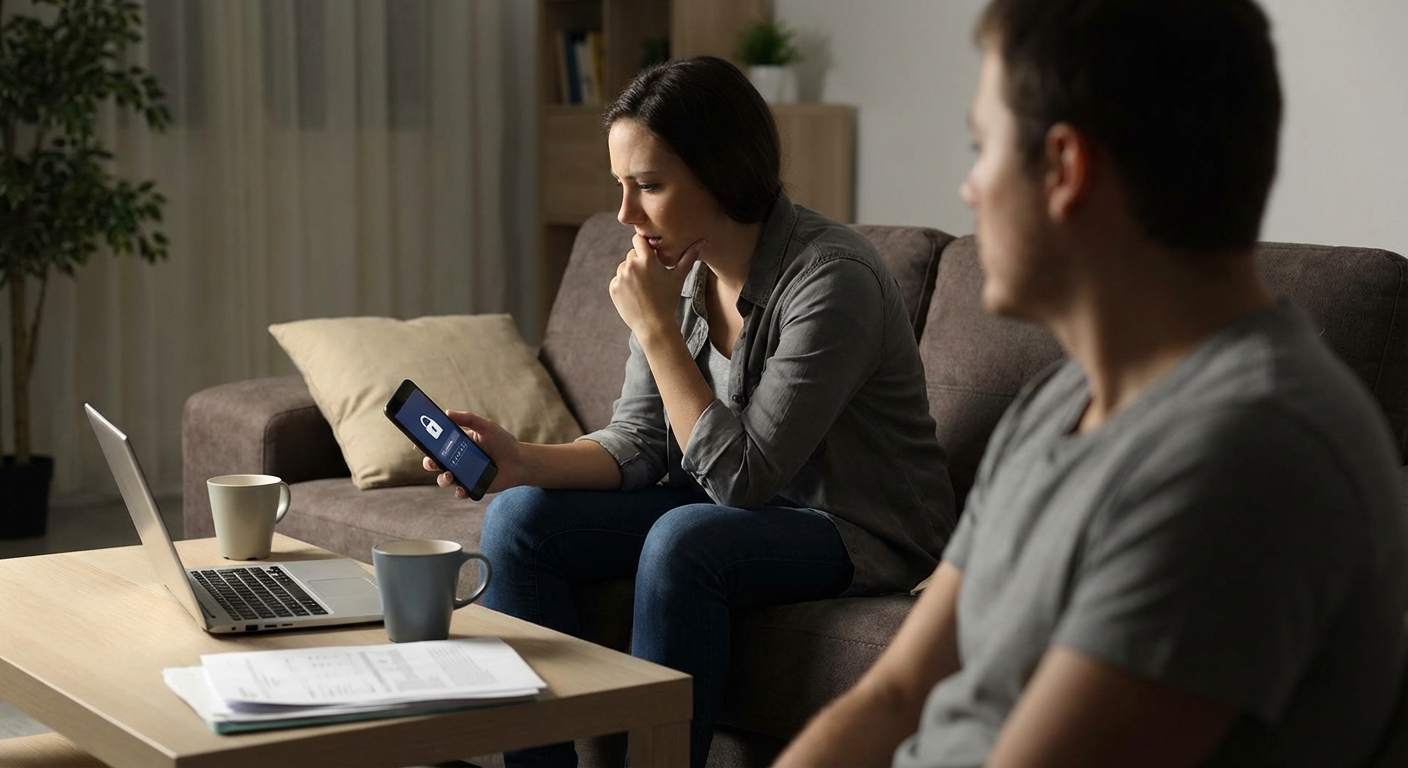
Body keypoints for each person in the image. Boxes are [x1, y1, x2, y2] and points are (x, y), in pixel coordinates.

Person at [774, 0, 1408, 766]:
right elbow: (895, 693)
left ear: (1066, 169)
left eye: (983, 148)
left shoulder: (1250, 454)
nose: (969, 188)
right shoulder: (1059, 403)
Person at [425, 56, 956, 768]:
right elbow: (644, 438)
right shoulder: (681, 271)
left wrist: (656, 331)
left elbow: (743, 480)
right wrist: (520, 461)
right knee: (520, 520)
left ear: (722, 172)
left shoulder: (834, 282)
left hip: (855, 526)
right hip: (731, 502)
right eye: (621, 186)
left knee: (685, 540)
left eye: (647, 185)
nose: (625, 214)